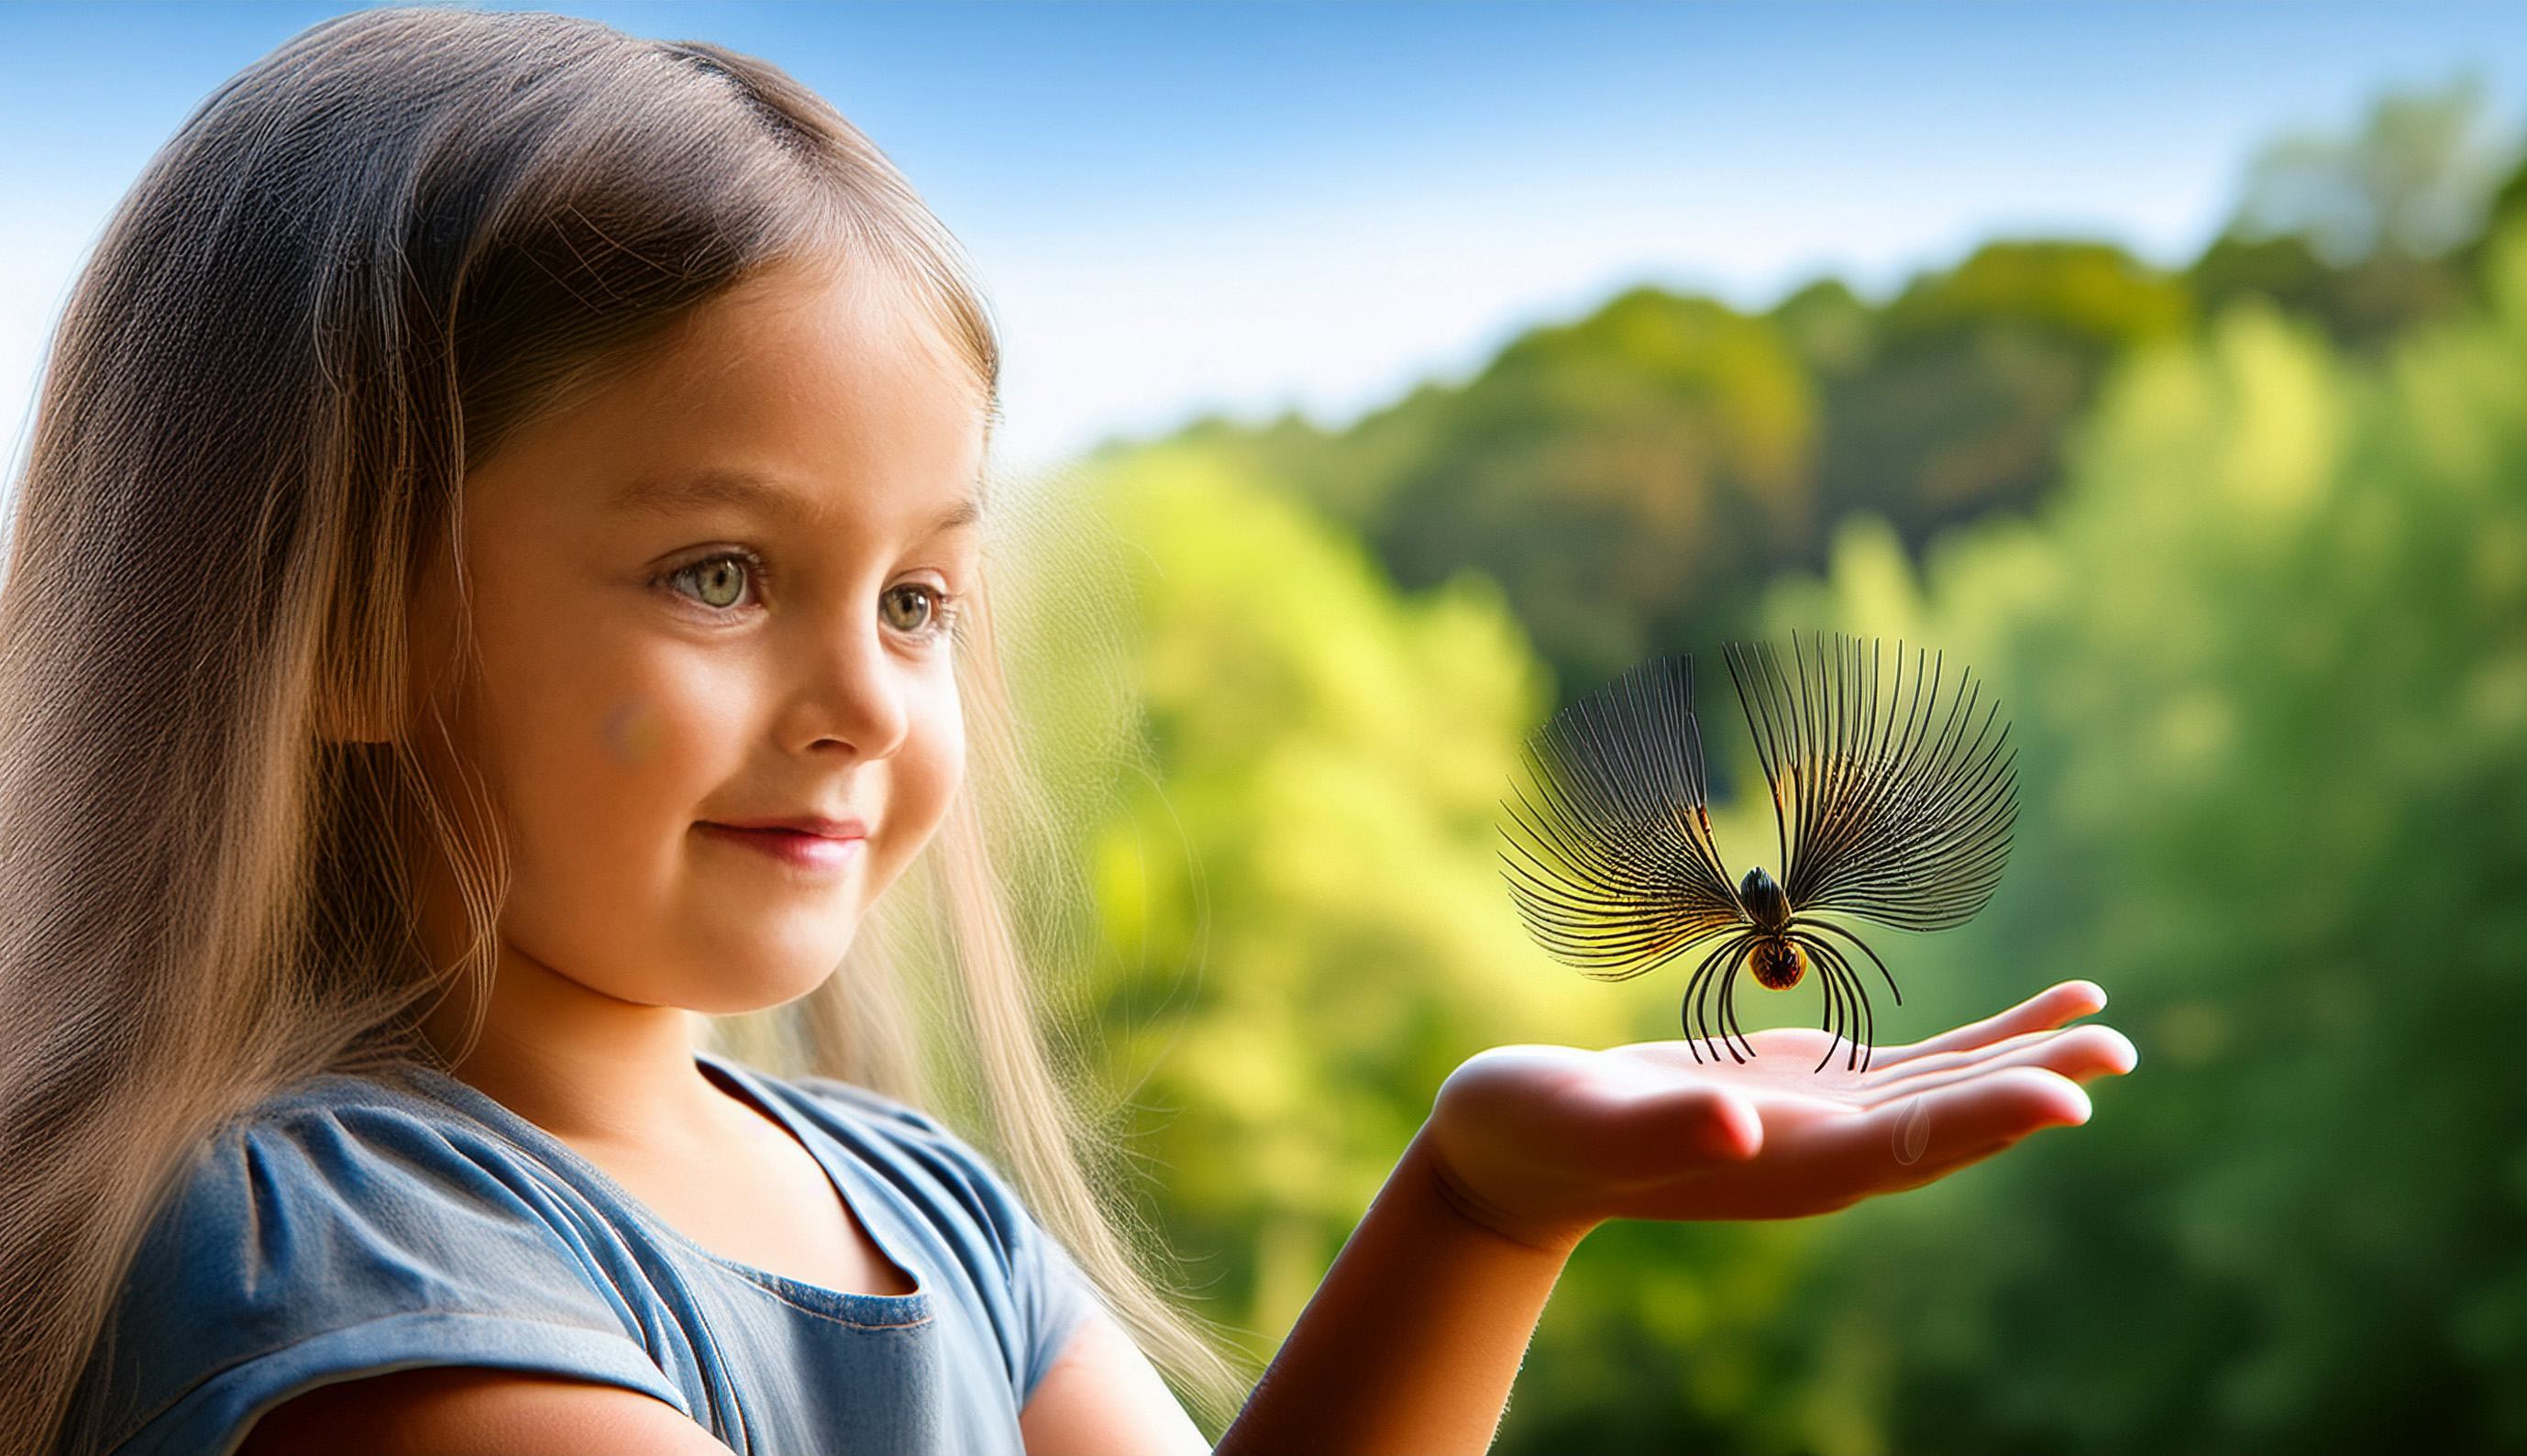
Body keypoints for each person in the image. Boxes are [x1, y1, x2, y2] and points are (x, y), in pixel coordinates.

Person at [0, 10, 2135, 1455]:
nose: (863, 701)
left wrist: (1479, 1206)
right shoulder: (341, 1251)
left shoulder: (920, 1210)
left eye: (918, 597)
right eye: (721, 574)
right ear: (338, 629)